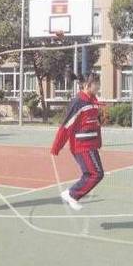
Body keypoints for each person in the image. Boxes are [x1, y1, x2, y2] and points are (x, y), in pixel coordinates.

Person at [51, 73, 103, 211]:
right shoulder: (78, 102)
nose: (98, 86)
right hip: (82, 145)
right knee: (96, 173)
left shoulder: (93, 100)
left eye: (98, 83)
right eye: (96, 84)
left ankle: (71, 194)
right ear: (87, 85)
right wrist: (56, 147)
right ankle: (71, 194)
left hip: (92, 144)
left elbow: (94, 121)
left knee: (91, 173)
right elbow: (66, 126)